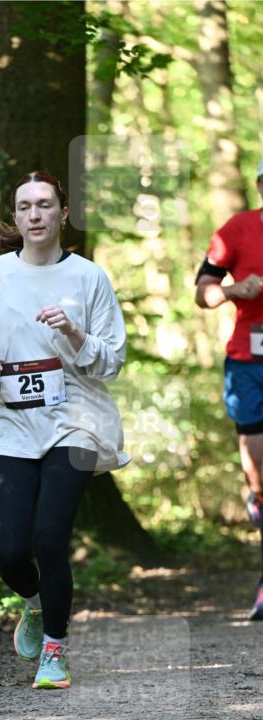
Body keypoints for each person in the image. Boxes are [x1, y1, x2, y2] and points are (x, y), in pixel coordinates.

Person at [0, 170, 129, 689]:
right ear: (16, 216)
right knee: (11, 553)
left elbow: (113, 359)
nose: (34, 215)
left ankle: (54, 652)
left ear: (63, 213)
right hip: (11, 422)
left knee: (50, 537)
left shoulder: (88, 277)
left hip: (75, 419)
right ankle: (36, 604)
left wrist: (75, 332)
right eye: (25, 206)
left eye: (45, 205)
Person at [195, 157, 263, 621]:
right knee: (260, 478)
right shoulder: (236, 230)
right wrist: (236, 291)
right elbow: (202, 291)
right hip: (249, 361)